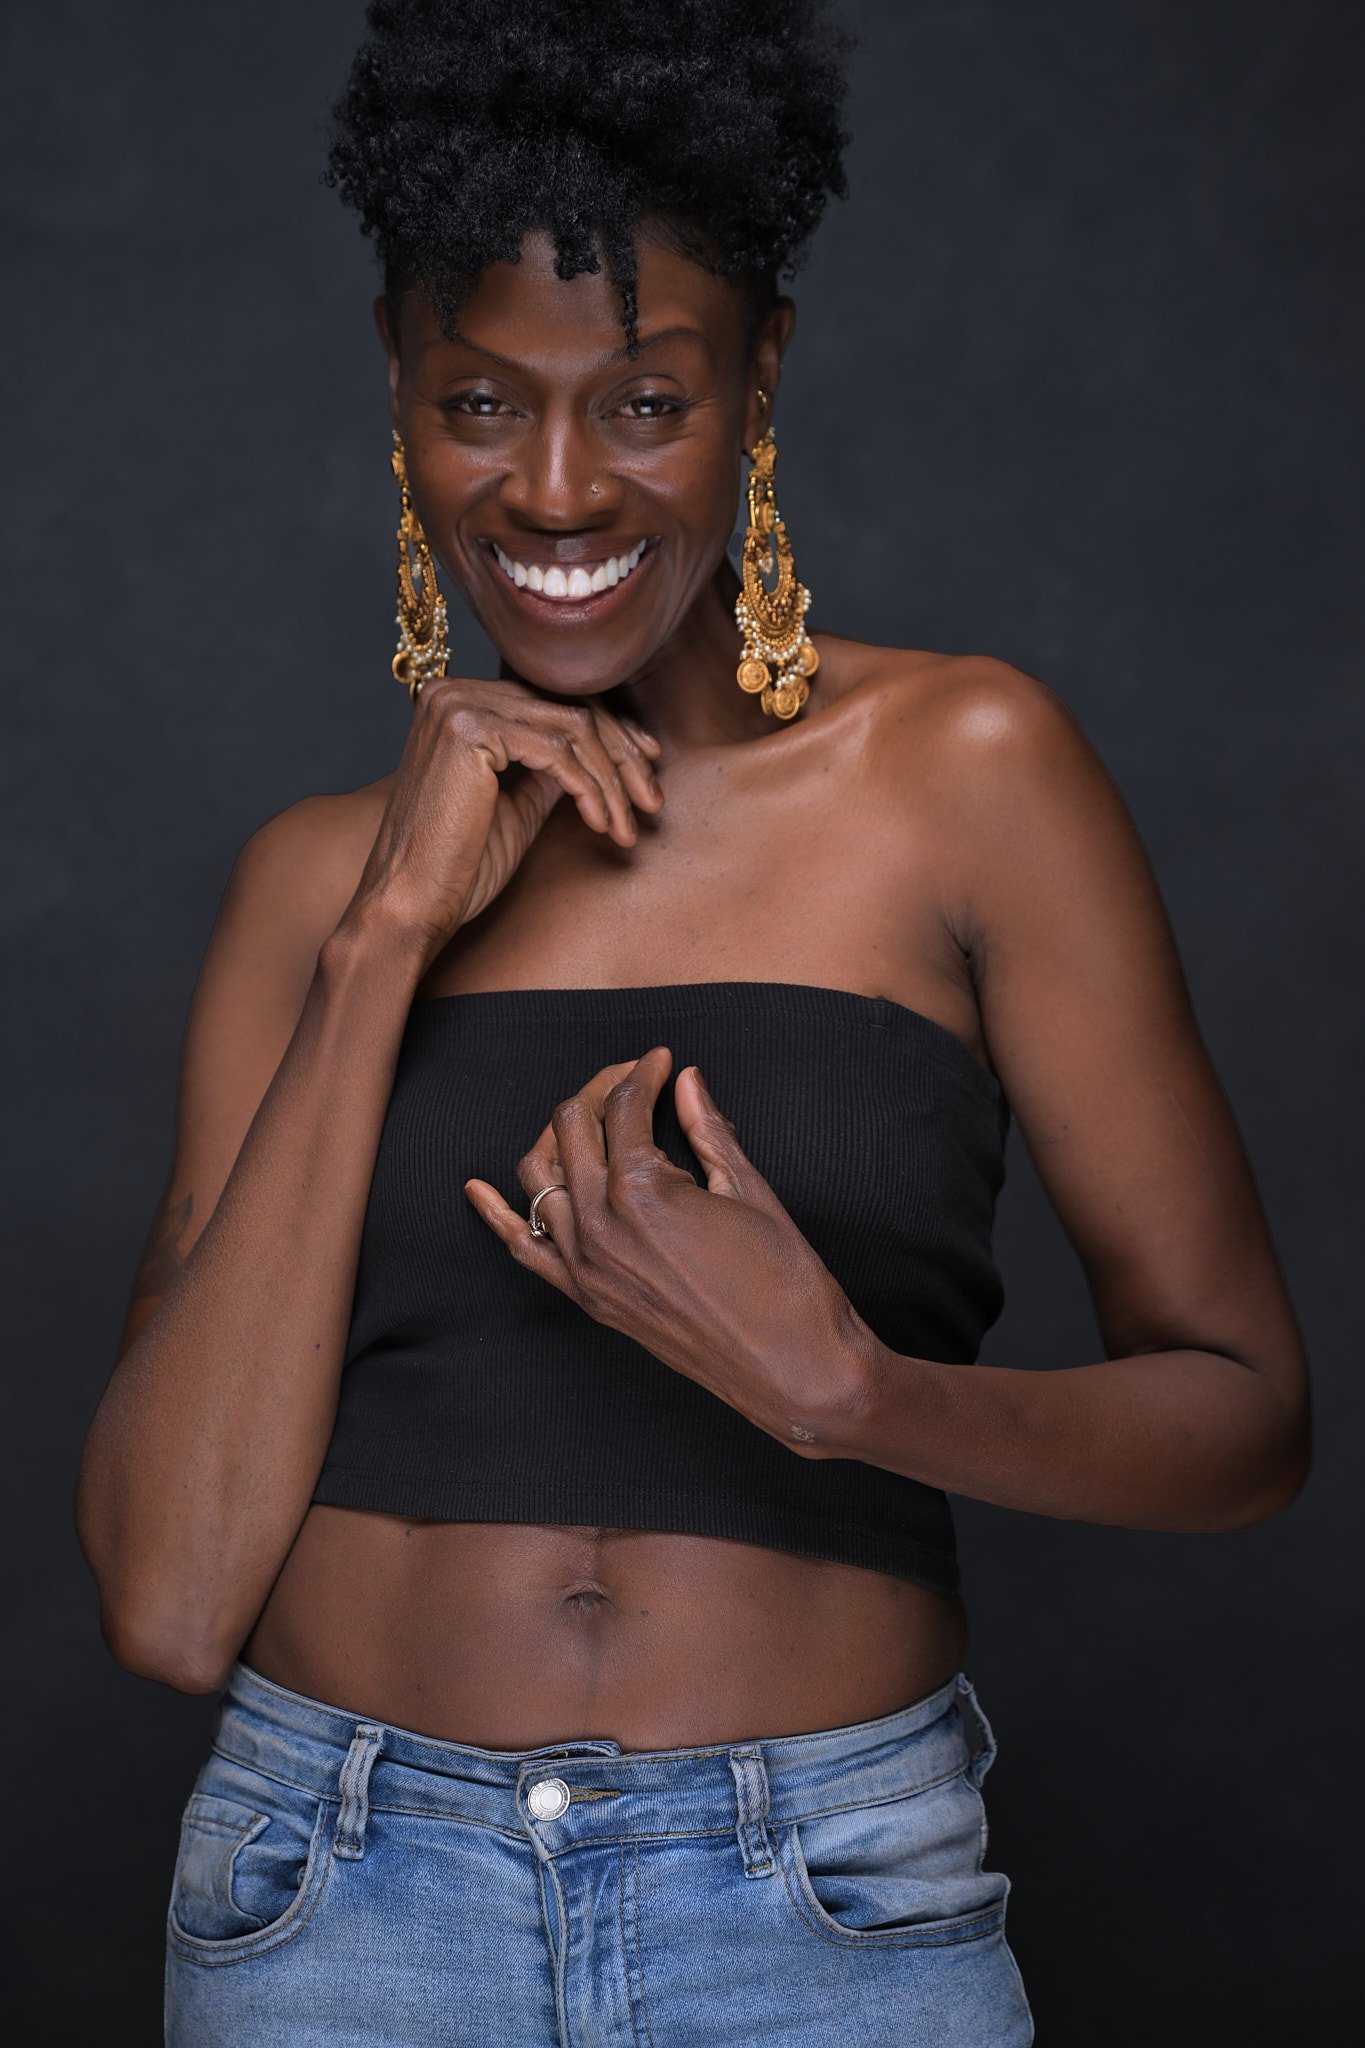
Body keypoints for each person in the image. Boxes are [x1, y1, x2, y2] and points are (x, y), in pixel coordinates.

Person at [74, 2, 1311, 2042]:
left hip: (818, 1905)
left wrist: (856, 1394)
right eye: (481, 401)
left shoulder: (966, 774)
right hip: (337, 1906)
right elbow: (168, 1590)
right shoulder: (311, 888)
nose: (556, 489)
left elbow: (1243, 1417)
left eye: (644, 402)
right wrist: (384, 945)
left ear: (760, 379)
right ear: (396, 384)